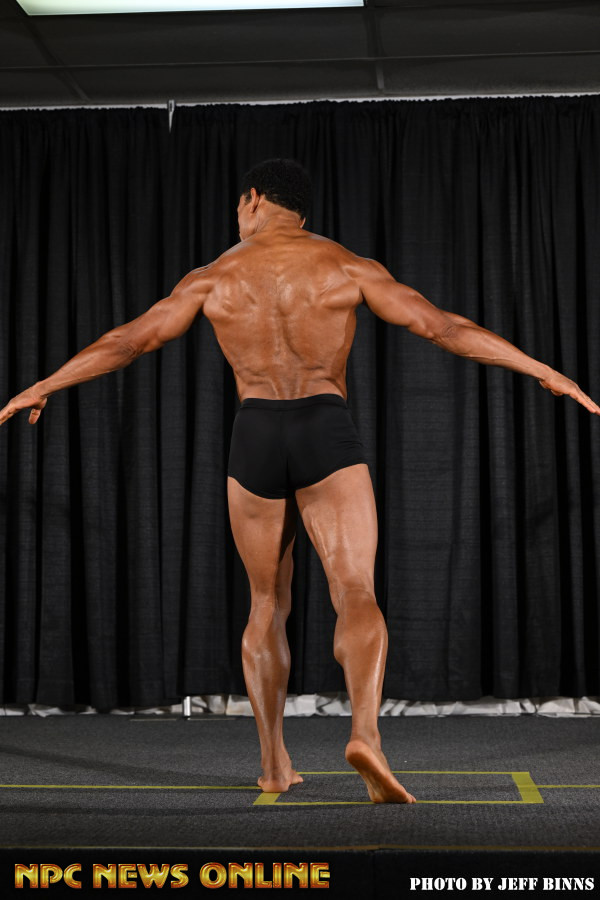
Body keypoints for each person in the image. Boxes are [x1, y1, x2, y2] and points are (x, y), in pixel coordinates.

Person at [1, 158, 599, 805]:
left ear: (254, 199)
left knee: (266, 602)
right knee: (354, 589)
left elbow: (131, 341)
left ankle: (273, 766)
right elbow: (442, 327)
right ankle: (365, 734)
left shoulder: (213, 277)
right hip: (323, 426)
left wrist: (47, 383)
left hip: (254, 434)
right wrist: (541, 369)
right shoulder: (345, 266)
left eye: (240, 206)